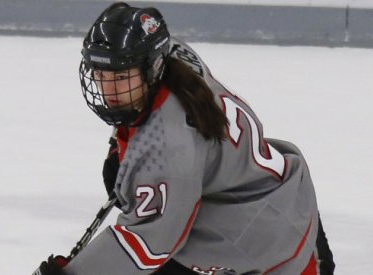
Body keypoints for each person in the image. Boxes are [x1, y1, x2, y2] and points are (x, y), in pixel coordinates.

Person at [33, 2, 335, 275]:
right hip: (274, 200)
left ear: (151, 68)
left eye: (121, 77)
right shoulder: (173, 57)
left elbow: (145, 246)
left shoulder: (169, 147)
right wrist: (121, 146)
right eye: (101, 74)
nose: (109, 90)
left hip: (279, 249)